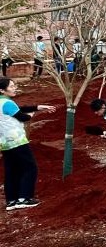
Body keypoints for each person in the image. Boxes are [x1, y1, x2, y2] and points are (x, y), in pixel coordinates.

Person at [0, 77, 55, 210]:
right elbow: (22, 117)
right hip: (17, 141)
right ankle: (24, 198)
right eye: (11, 86)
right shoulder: (7, 103)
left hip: (5, 143)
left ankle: (11, 201)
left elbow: (18, 110)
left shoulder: (2, 103)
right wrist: (31, 114)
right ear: (2, 90)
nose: (15, 88)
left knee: (11, 171)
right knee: (30, 168)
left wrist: (38, 107)